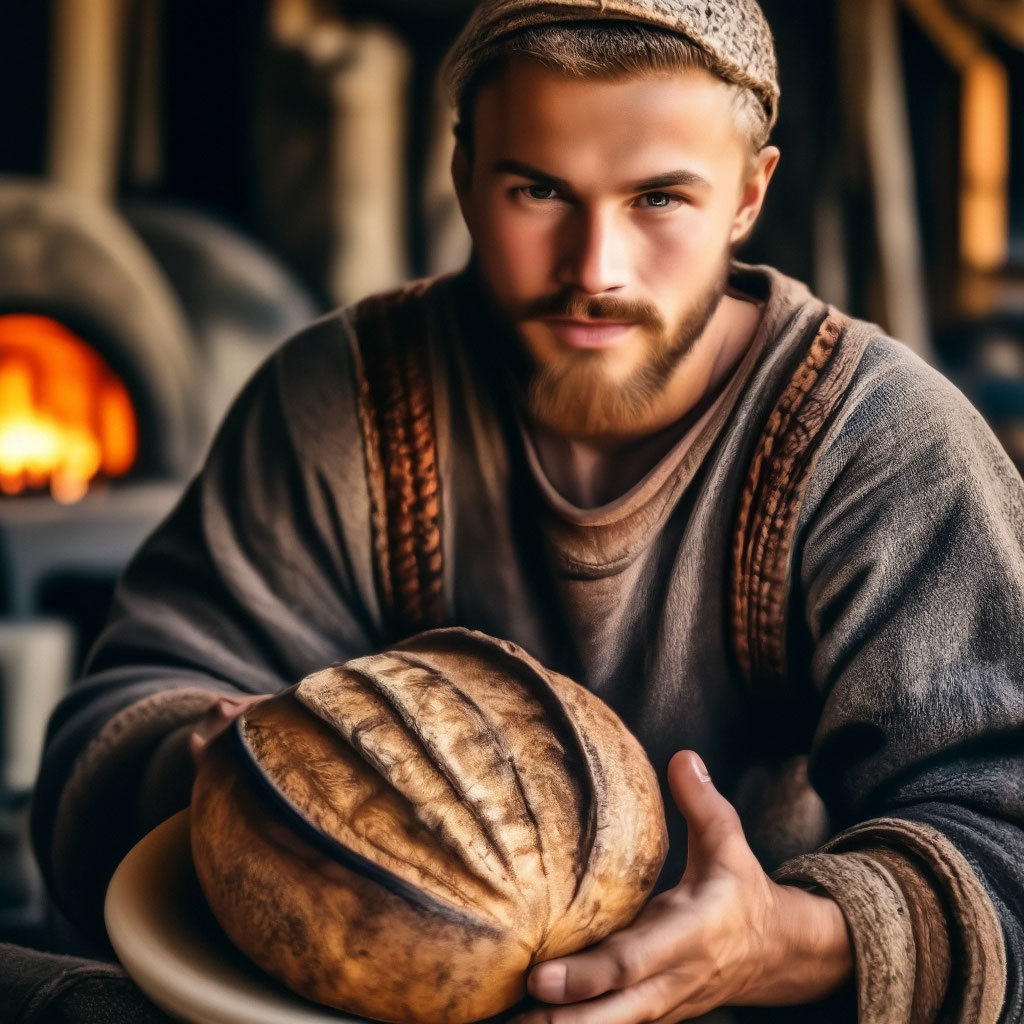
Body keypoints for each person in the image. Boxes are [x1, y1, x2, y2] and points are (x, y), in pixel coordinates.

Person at [30, 1, 1024, 1022]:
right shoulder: (338, 400)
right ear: (463, 174)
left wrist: (784, 940)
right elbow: (111, 727)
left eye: (658, 198)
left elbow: (1005, 833)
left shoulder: (880, 442)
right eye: (539, 189)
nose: (594, 269)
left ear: (747, 194)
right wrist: (210, 769)